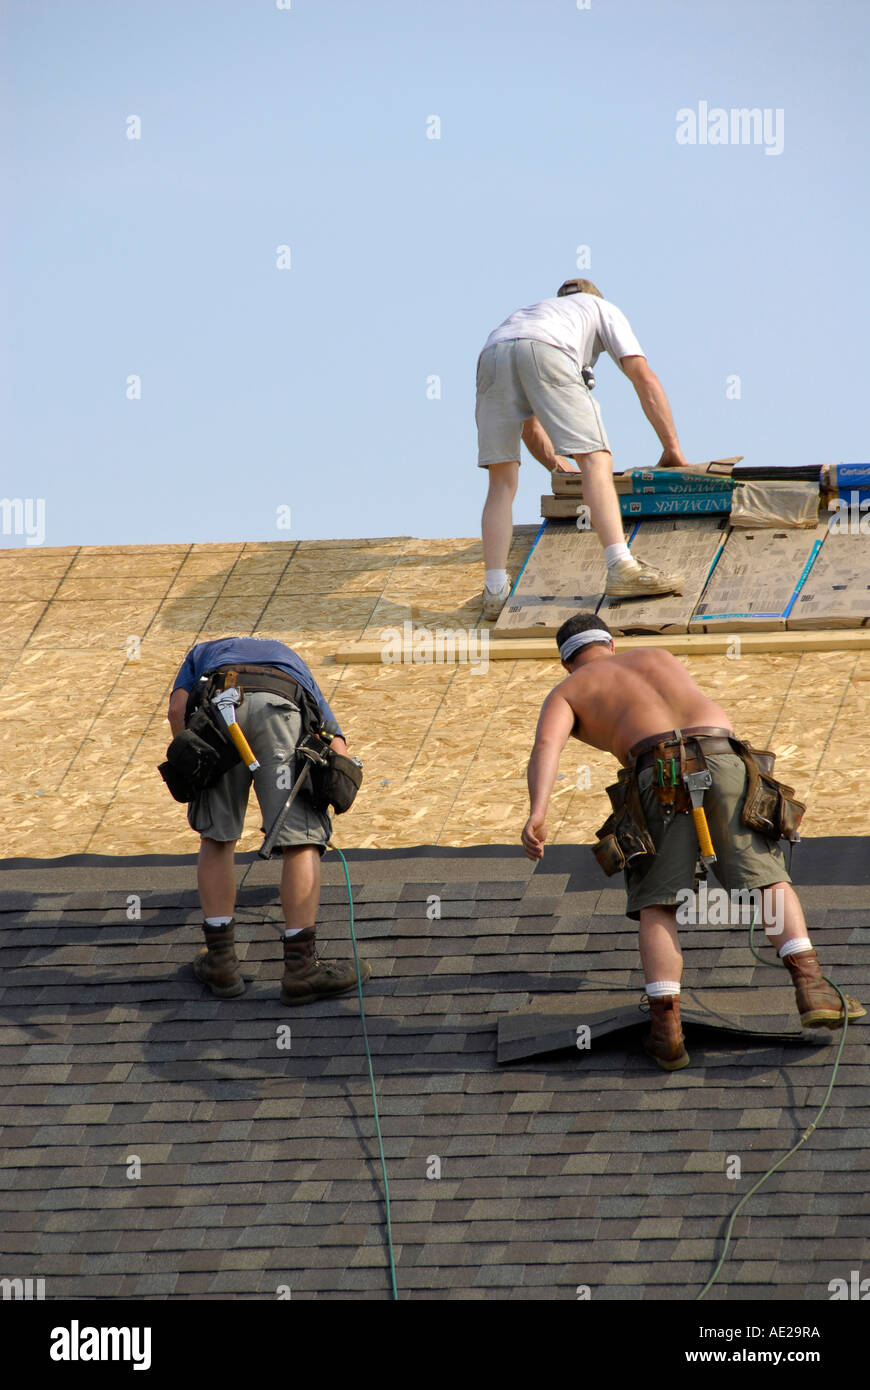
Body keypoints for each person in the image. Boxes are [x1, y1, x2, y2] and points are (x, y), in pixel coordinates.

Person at [521, 612, 865, 1070]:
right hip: (725, 757)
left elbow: (547, 746)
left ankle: (667, 1031)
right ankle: (813, 987)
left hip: (658, 770)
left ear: (567, 662)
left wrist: (537, 813)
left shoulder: (567, 691)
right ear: (611, 644)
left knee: (659, 901)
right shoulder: (657, 655)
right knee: (766, 877)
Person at [166, 636, 370, 1005]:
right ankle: (301, 970)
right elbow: (332, 734)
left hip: (219, 713)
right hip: (279, 708)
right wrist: (333, 785)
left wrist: (193, 758)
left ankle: (221, 964)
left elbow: (177, 709)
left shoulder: (200, 653)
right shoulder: (288, 658)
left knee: (217, 837)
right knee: (300, 840)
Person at [476, 278, 691, 620]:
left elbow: (530, 426)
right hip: (547, 350)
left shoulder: (538, 312)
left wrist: (555, 464)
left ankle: (494, 591)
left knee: (501, 481)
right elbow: (643, 376)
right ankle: (621, 565)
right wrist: (672, 448)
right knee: (595, 459)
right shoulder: (602, 308)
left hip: (492, 353)